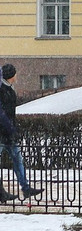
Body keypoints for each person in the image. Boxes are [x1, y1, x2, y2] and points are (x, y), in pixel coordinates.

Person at [0, 64, 43, 199]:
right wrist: (11, 128)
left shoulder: (8, 90)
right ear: (11, 76)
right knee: (17, 161)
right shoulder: (4, 91)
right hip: (3, 134)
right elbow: (3, 114)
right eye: (15, 74)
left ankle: (25, 188)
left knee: (18, 161)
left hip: (8, 134)